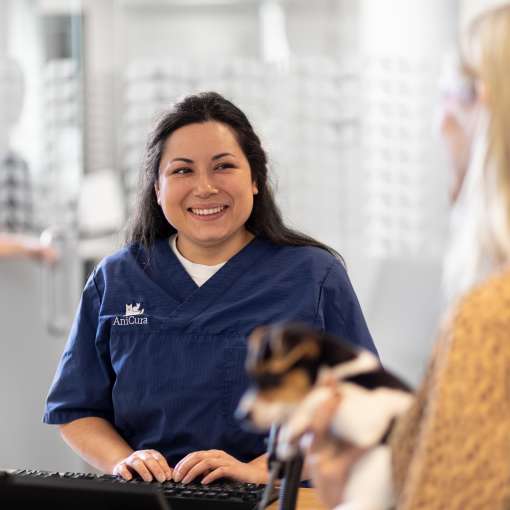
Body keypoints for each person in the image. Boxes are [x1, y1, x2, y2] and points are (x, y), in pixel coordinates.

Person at [43, 91, 377, 486]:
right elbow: (77, 408)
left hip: (268, 500)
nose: (204, 188)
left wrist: (259, 470)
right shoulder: (117, 278)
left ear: (255, 179)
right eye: (182, 171)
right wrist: (125, 461)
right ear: (157, 188)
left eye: (223, 167)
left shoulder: (313, 276)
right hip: (151, 501)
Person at [301, 4, 510, 509]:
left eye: (449, 97)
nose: (439, 123)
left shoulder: (491, 321)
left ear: (487, 109)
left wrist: (340, 490)